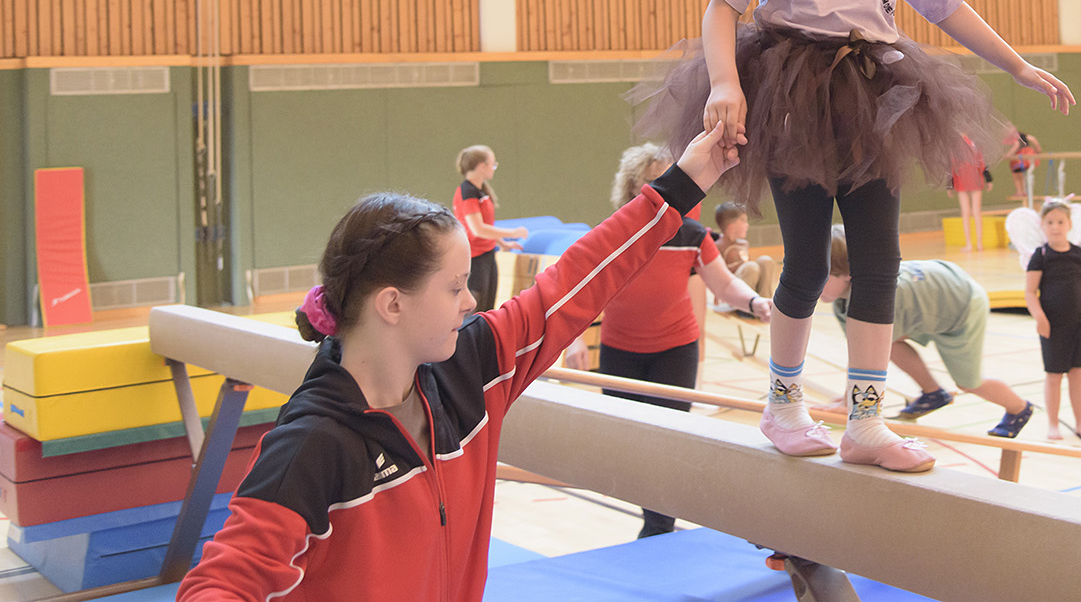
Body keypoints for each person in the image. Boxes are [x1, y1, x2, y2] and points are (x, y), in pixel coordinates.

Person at [634, 0, 1074, 474]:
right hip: (797, 98)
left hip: (876, 99)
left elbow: (945, 4)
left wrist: (1019, 64)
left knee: (879, 262)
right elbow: (722, 4)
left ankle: (866, 423)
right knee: (807, 263)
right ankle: (783, 406)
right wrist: (726, 83)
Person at [175, 123, 739, 602]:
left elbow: (578, 279)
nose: (471, 302)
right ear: (392, 304)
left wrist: (684, 183)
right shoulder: (313, 445)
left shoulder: (471, 368)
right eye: (455, 287)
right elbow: (219, 584)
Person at [565, 143, 773, 538]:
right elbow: (584, 290)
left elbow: (723, 284)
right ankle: (655, 516)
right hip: (621, 352)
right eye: (654, 181)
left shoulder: (691, 235)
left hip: (675, 351)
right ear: (633, 188)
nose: (665, 188)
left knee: (668, 440)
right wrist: (574, 339)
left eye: (670, 180)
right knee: (629, 441)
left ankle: (658, 524)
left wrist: (754, 301)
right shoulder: (615, 233)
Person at [821, 227, 1035, 439]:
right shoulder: (843, 301)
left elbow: (867, 361)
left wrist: (852, 403)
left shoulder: (875, 300)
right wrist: (848, 399)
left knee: (969, 382)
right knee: (888, 344)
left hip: (963, 305)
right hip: (933, 297)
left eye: (821, 277)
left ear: (848, 274)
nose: (812, 284)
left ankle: (1019, 408)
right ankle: (933, 393)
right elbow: (860, 352)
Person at [1025, 197, 1081, 441]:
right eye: (1050, 222)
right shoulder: (1040, 256)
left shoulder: (1080, 255)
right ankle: (1053, 424)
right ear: (1042, 225)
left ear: (1069, 224)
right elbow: (1030, 292)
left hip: (1078, 324)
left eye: (1060, 222)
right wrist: (1040, 318)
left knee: (1077, 374)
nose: (1055, 227)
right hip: (1052, 326)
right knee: (1054, 376)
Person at [453, 146, 528, 312]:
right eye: (493, 164)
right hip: (475, 257)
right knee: (476, 307)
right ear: (482, 166)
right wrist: (512, 233)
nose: (493, 168)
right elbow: (478, 229)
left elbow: (487, 226)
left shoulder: (480, 191)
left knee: (488, 307)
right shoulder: (468, 192)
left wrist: (503, 243)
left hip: (487, 253)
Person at [715, 201, 777, 302]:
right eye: (743, 221)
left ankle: (765, 301)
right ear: (731, 227)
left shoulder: (744, 244)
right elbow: (717, 277)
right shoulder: (718, 246)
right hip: (732, 294)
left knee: (766, 261)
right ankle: (745, 305)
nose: (747, 225)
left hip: (750, 291)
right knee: (751, 267)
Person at [949, 136, 991, 252]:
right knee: (976, 212)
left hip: (962, 178)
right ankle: (979, 244)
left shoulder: (955, 146)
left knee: (966, 212)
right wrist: (989, 179)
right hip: (974, 178)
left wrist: (950, 185)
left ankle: (969, 244)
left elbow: (951, 166)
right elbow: (983, 163)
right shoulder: (974, 144)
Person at [1008, 127, 1042, 203]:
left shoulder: (1015, 137)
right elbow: (1033, 139)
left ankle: (1019, 191)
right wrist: (1038, 149)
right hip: (1029, 153)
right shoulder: (1024, 135)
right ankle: (1023, 191)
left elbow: (1016, 145)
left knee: (1016, 174)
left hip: (1021, 156)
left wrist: (1008, 154)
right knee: (1021, 174)